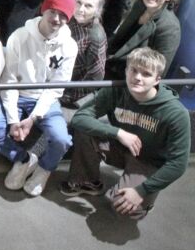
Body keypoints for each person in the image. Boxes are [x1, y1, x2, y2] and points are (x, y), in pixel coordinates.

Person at [61, 47, 191, 220]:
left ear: (157, 80)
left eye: (146, 74)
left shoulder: (175, 113)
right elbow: (80, 118)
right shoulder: (115, 91)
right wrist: (118, 132)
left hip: (148, 161)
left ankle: (146, 201)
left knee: (124, 208)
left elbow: (178, 164)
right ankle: (88, 181)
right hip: (121, 147)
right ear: (126, 70)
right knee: (86, 130)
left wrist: (142, 190)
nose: (137, 78)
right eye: (134, 70)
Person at [0, 0, 77, 197]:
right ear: (44, 10)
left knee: (62, 139)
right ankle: (22, 158)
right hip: (15, 93)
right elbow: (10, 80)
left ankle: (44, 168)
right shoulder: (20, 36)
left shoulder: (69, 46)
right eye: (53, 11)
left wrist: (33, 118)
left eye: (63, 15)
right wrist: (14, 120)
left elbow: (56, 87)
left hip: (44, 99)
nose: (57, 19)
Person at [105, 0, 181, 79]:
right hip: (111, 62)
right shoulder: (139, 5)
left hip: (129, 76)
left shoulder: (170, 27)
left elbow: (160, 70)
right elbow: (120, 38)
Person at [62, 0, 107, 108]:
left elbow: (96, 76)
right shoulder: (70, 18)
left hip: (68, 92)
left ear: (97, 10)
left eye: (88, 6)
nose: (81, 9)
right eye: (79, 3)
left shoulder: (96, 37)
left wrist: (69, 96)